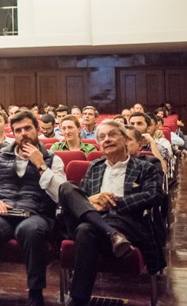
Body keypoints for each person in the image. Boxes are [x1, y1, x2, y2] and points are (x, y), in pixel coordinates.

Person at [58, 121, 166, 306]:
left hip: (127, 222)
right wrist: (93, 199)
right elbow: (83, 197)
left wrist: (112, 203)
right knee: (66, 187)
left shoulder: (144, 167)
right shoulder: (95, 166)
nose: (107, 140)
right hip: (98, 221)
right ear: (98, 144)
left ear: (124, 139)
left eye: (112, 135)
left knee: (85, 230)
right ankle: (111, 234)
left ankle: (78, 300)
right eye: (102, 137)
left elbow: (155, 195)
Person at [0, 109, 66, 306]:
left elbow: (60, 194)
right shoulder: (0, 156)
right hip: (4, 212)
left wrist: (41, 165)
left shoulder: (52, 159)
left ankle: (35, 293)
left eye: (28, 128)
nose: (23, 133)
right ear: (13, 133)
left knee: (30, 230)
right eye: (18, 130)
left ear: (37, 130)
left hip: (36, 214)